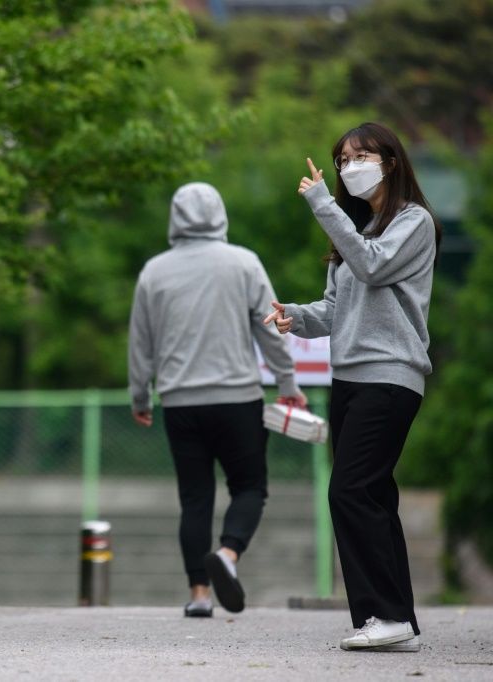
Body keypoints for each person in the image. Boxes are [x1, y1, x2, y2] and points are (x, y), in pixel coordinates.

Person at [264, 122, 439, 653]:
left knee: (350, 490)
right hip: (350, 378)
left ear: (390, 160)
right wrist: (296, 316)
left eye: (360, 155)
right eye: (342, 160)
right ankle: (394, 620)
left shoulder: (414, 223)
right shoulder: (356, 231)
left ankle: (383, 614)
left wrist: (321, 202)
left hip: (390, 376)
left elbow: (374, 267)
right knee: (375, 497)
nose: (349, 166)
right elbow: (340, 309)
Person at [128, 182, 306, 618]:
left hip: (180, 402)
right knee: (249, 487)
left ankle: (199, 595)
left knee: (194, 499)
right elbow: (271, 327)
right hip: (237, 398)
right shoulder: (244, 263)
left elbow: (141, 341)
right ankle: (228, 555)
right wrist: (287, 383)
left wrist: (140, 394)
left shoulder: (155, 271)